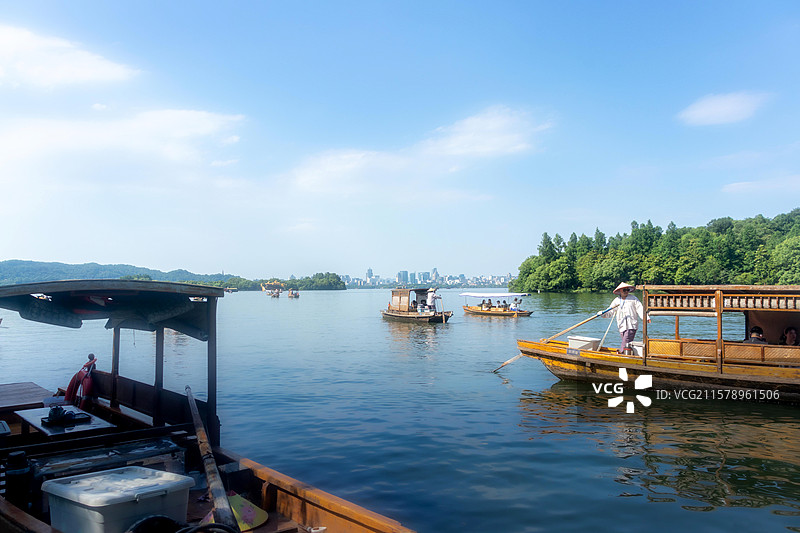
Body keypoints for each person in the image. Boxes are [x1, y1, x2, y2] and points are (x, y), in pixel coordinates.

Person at [600, 282, 649, 353]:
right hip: (621, 325)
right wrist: (603, 313)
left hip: (631, 324)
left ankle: (621, 354)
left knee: (626, 342)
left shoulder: (633, 299)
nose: (626, 291)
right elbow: (610, 312)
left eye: (627, 290)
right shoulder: (616, 300)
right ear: (620, 291)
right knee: (627, 343)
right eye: (624, 290)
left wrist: (646, 317)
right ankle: (629, 353)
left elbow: (640, 309)